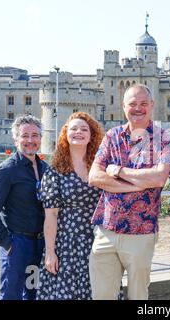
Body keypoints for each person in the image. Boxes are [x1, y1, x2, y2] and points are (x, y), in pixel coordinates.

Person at [88, 84, 170, 300]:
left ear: (152, 105)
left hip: (141, 233)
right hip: (107, 230)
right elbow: (95, 177)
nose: (138, 108)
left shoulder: (164, 139)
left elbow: (159, 177)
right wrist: (137, 184)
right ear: (124, 106)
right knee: (102, 296)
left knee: (138, 296)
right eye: (132, 104)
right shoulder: (112, 136)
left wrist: (118, 171)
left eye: (143, 104)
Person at [36, 112, 104, 300]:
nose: (78, 132)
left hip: (98, 239)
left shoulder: (99, 166)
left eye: (84, 129)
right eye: (73, 128)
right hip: (67, 244)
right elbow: (51, 215)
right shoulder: (55, 171)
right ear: (66, 134)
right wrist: (50, 252)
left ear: (92, 135)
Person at [0, 115, 48, 300]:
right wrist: (7, 244)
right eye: (25, 135)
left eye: (35, 135)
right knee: (12, 296)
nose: (30, 140)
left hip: (40, 244)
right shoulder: (6, 171)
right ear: (16, 139)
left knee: (34, 295)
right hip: (17, 245)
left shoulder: (46, 169)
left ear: (41, 138)